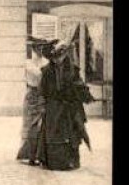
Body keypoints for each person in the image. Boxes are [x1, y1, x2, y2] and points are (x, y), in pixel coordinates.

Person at [34, 37, 93, 170]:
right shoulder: (47, 71)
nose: (57, 60)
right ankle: (52, 162)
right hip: (53, 108)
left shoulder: (73, 70)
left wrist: (85, 94)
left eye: (60, 56)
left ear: (65, 54)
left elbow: (80, 86)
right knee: (53, 134)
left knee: (72, 134)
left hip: (70, 108)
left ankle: (71, 161)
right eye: (54, 57)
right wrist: (43, 106)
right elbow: (42, 90)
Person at [16, 36, 52, 164]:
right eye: (37, 47)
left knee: (42, 126)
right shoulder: (28, 63)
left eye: (42, 47)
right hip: (31, 94)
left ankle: (40, 154)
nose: (40, 50)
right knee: (30, 125)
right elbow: (38, 74)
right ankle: (30, 155)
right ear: (33, 48)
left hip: (42, 94)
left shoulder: (46, 62)